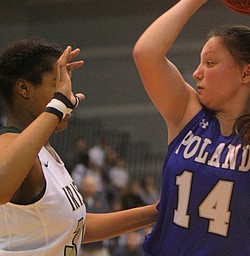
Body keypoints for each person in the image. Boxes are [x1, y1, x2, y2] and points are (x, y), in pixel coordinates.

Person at [133, 0, 250, 255]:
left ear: (246, 74)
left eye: (209, 63)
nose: (197, 73)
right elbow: (146, 53)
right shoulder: (187, 114)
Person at [0, 38, 158, 255]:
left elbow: (75, 227)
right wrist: (57, 107)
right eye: (58, 85)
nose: (68, 95)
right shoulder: (8, 144)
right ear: (24, 88)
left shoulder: (46, 152)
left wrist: (156, 212)